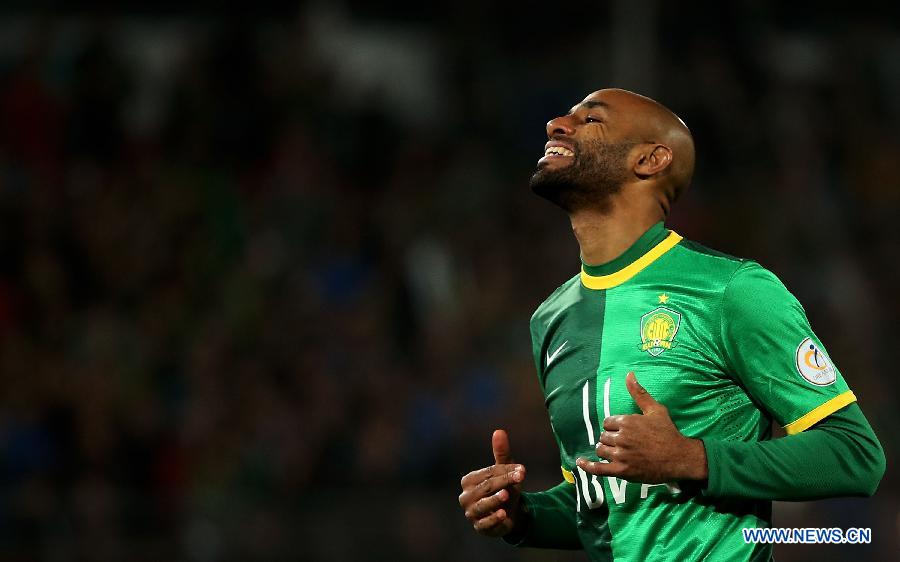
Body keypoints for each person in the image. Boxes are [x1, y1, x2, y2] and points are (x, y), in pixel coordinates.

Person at [457, 88, 885, 561]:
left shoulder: (732, 290)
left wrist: (692, 458)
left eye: (591, 119)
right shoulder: (550, 318)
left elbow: (856, 455)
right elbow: (602, 508)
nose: (556, 124)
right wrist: (522, 517)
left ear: (651, 159)